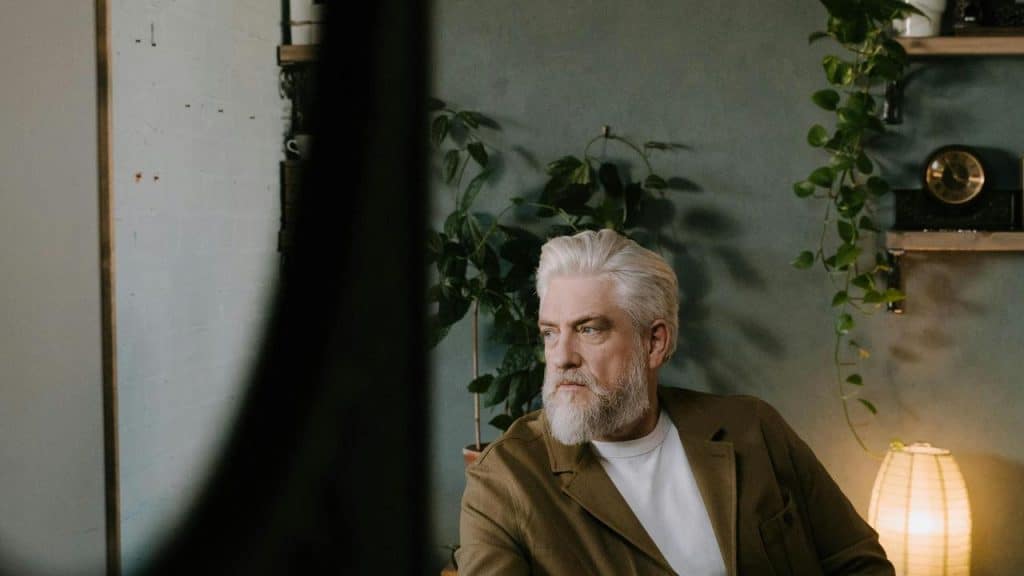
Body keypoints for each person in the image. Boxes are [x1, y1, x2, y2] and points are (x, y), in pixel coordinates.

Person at [456, 229, 894, 575]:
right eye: (550, 332)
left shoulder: (753, 429)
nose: (561, 356)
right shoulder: (504, 483)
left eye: (589, 329)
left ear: (655, 342)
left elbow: (858, 563)